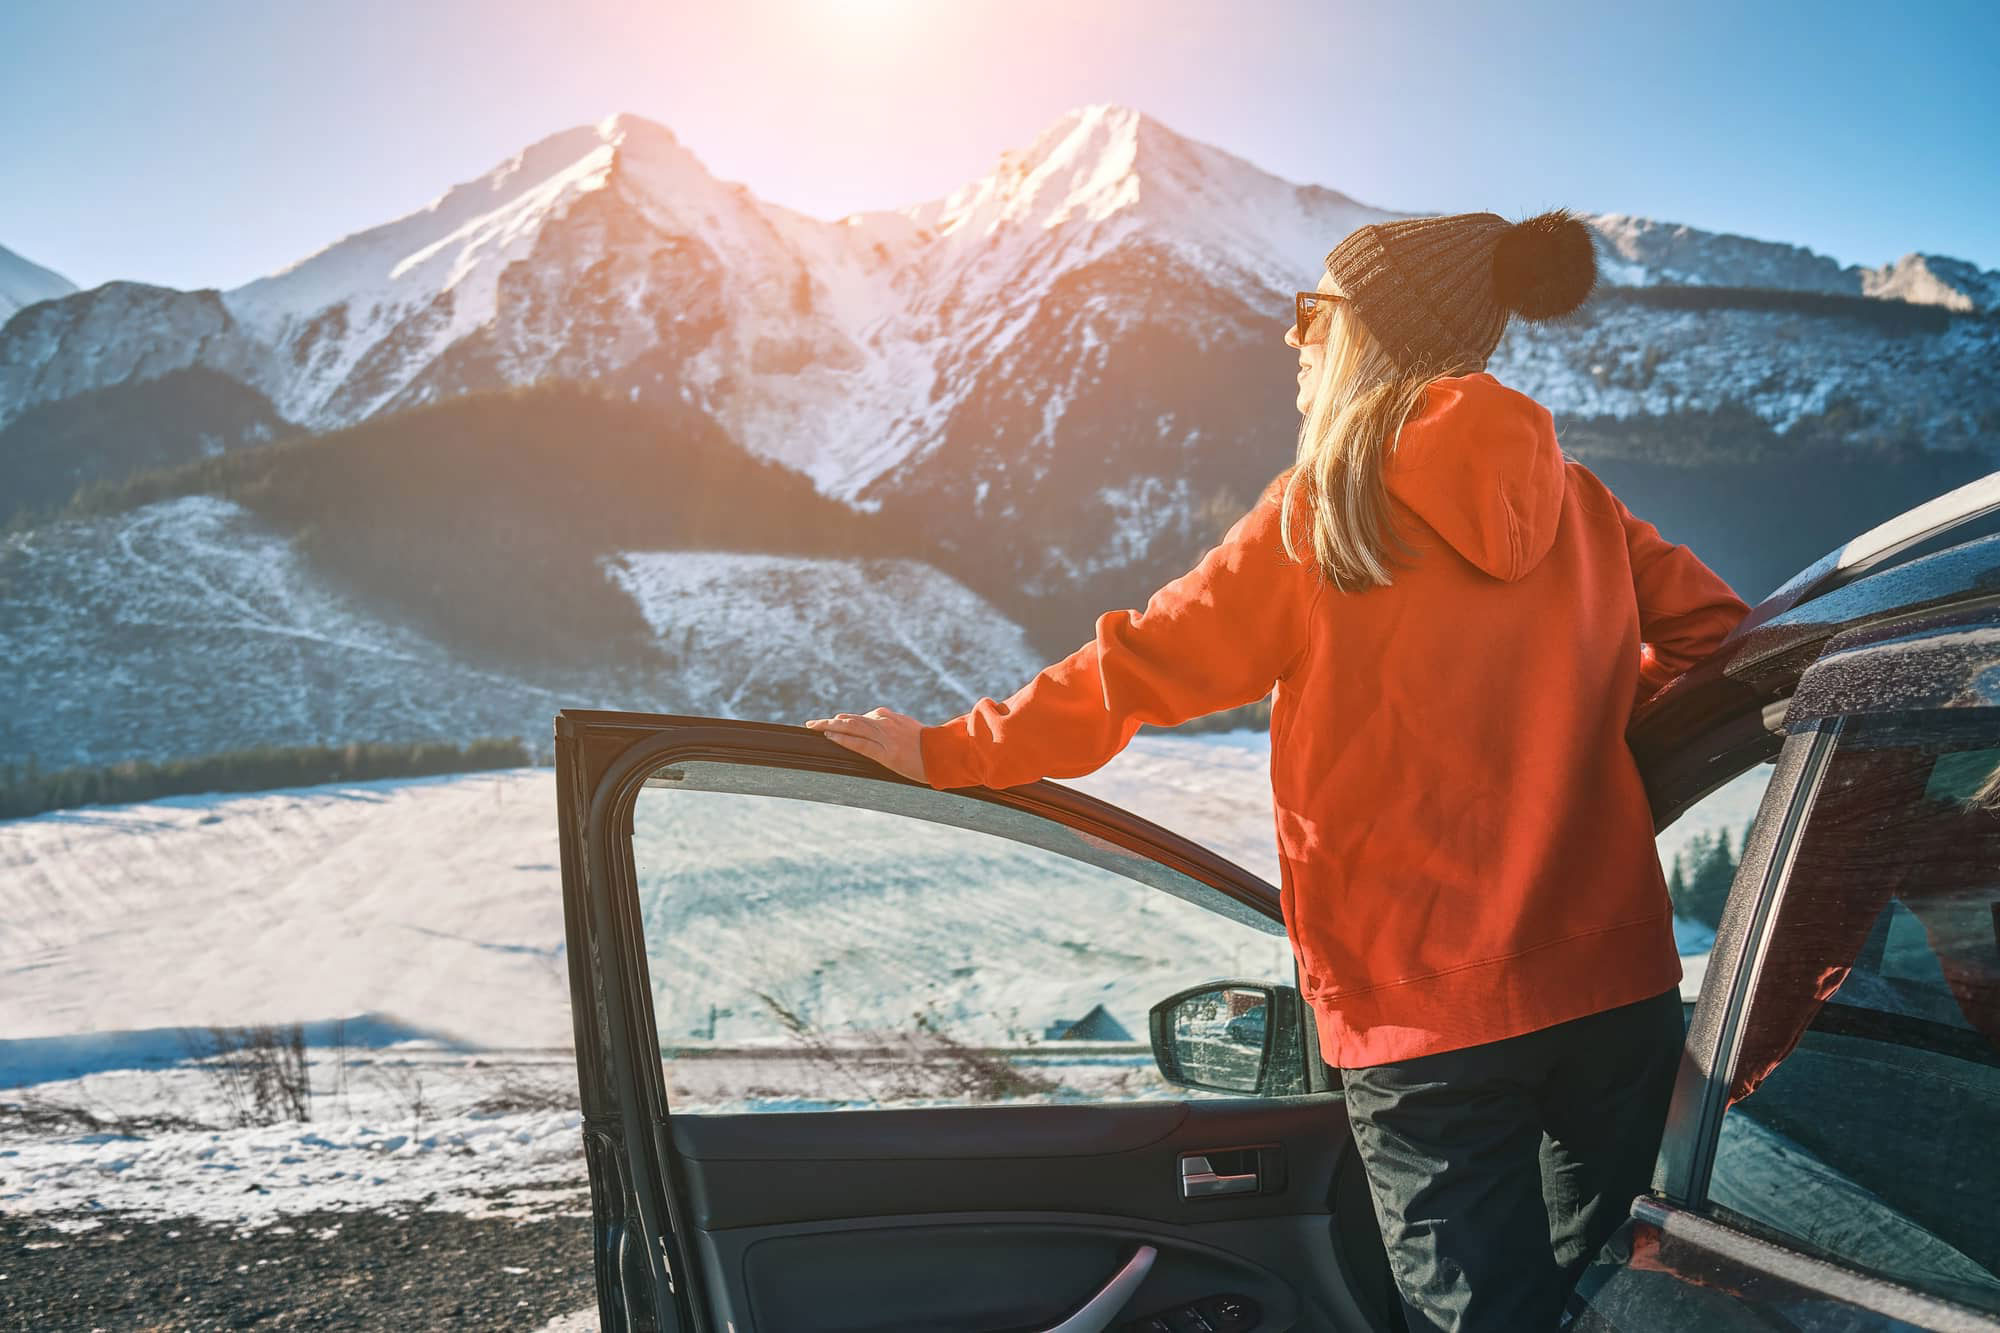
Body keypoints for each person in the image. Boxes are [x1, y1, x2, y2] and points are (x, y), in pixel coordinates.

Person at [806, 209, 1752, 1332]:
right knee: (1616, 1303)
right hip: (1613, 995)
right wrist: (1580, 738)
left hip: (1425, 1022)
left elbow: (1132, 673)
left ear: (1369, 331)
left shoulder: (1323, 515)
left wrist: (946, 750)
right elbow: (1721, 642)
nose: (1292, 339)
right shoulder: (1583, 502)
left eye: (1312, 313)